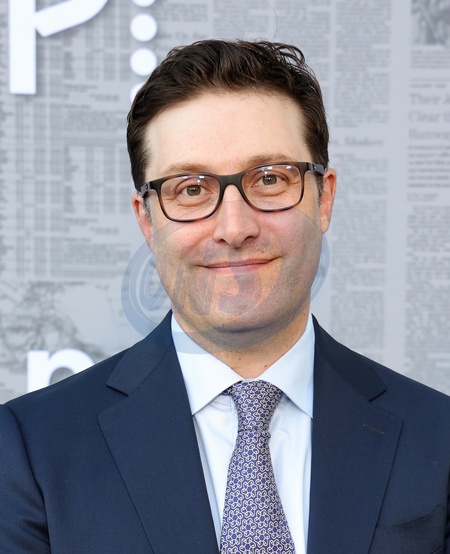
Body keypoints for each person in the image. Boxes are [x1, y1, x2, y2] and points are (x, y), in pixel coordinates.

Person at [1, 39, 449, 554]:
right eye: (191, 189)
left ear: (324, 198)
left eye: (270, 179)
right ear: (147, 219)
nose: (234, 228)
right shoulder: (29, 449)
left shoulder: (438, 436)